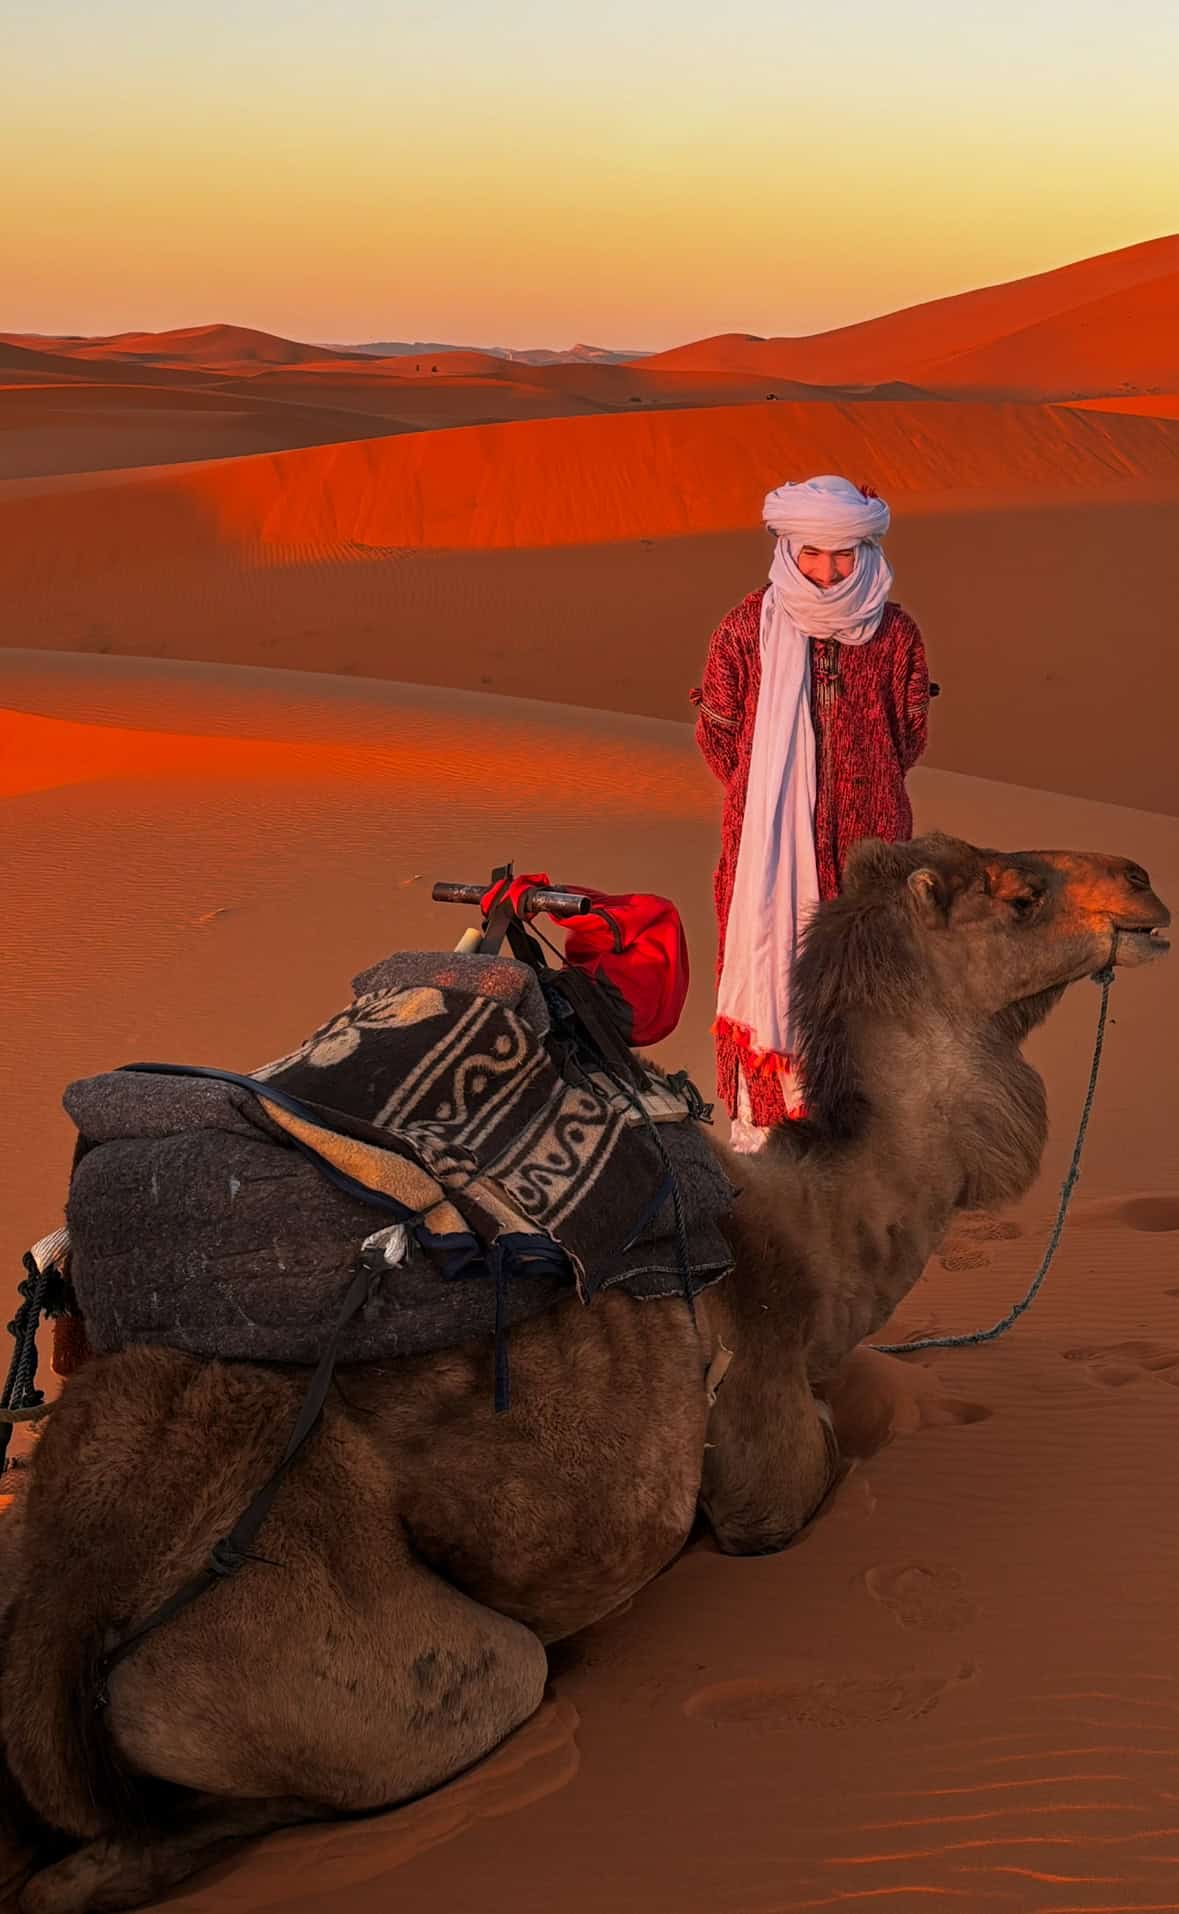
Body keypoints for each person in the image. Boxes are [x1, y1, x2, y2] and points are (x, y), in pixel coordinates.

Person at [690, 473, 932, 1151]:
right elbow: (718, 737)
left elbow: (907, 736)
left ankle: (860, 1145)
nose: (826, 572)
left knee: (867, 990)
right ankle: (769, 1138)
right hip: (762, 859)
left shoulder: (895, 634)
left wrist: (861, 788)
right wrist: (772, 802)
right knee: (775, 973)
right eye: (812, 554)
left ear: (866, 552)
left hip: (871, 855)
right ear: (788, 547)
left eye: (842, 555)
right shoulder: (744, 629)